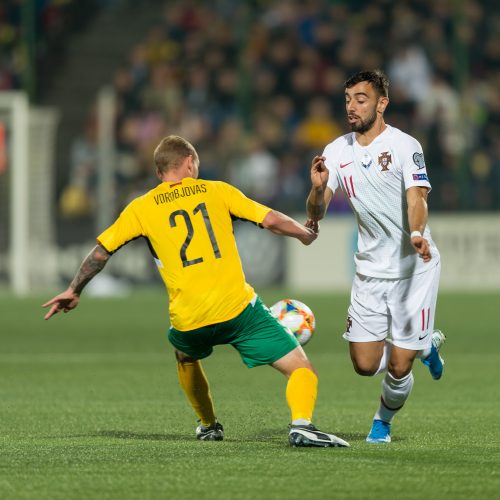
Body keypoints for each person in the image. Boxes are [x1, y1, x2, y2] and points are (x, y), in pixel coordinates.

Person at [43, 135, 349, 448]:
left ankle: (207, 425)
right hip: (238, 311)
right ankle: (302, 425)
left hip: (189, 319)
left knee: (185, 353)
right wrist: (304, 233)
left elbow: (101, 253)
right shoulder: (217, 190)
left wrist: (73, 289)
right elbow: (269, 219)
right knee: (301, 368)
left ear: (160, 173)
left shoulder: (141, 207)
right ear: (190, 163)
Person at [305, 70, 446, 444]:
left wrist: (417, 233)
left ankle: (382, 421)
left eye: (361, 99)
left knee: (399, 366)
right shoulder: (337, 151)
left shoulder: (404, 146)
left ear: (382, 103)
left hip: (413, 269)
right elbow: (316, 213)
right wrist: (318, 190)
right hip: (369, 271)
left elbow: (417, 197)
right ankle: (423, 343)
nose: (352, 106)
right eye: (348, 98)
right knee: (364, 365)